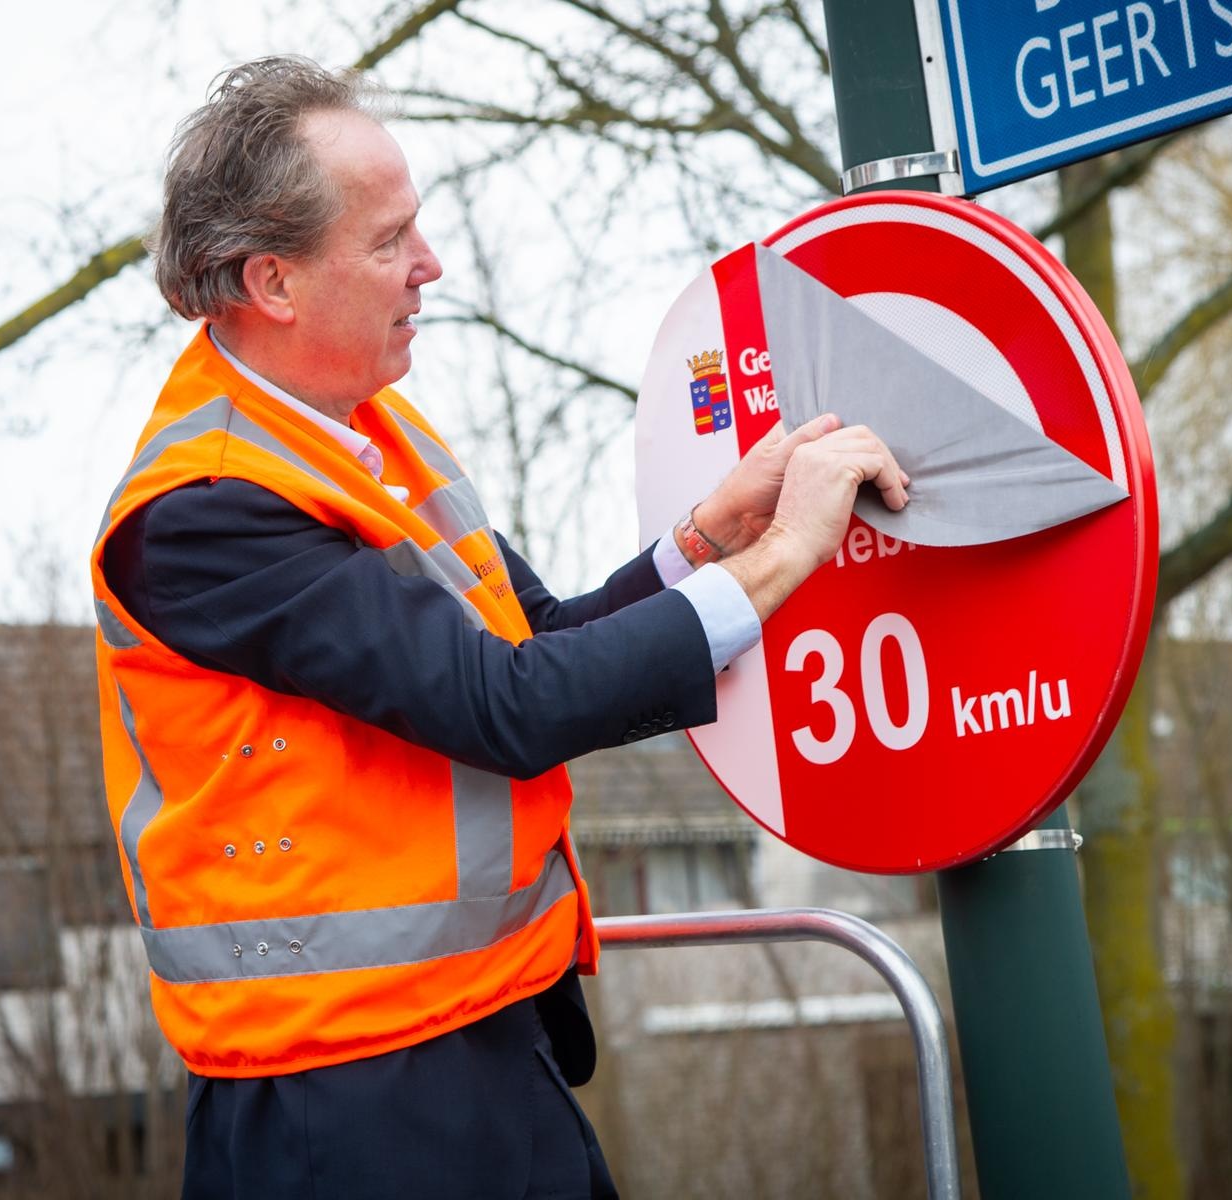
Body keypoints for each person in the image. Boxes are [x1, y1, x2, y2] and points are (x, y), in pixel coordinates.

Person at [89, 56, 908, 1200]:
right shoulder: (206, 512)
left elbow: (538, 645)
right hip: (347, 1101)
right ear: (273, 282)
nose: (431, 266)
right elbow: (507, 709)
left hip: (474, 1044)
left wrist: (710, 542)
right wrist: (786, 559)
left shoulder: (369, 436)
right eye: (390, 242)